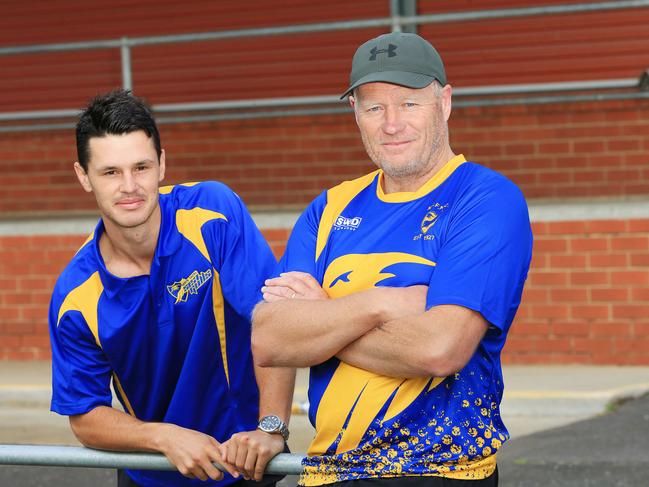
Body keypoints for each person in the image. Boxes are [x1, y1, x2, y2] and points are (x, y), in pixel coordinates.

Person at [252, 32, 533, 486]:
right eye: (374, 107)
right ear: (355, 114)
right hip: (330, 472)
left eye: (409, 104)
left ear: (444, 102)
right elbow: (269, 340)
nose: (391, 123)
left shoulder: (484, 199)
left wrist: (319, 322)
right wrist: (379, 304)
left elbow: (439, 349)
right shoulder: (329, 208)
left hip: (438, 469)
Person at [49, 89, 295, 487]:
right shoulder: (75, 296)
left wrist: (271, 426)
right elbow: (85, 416)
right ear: (83, 176)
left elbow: (274, 321)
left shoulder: (213, 213)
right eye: (110, 172)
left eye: (141, 167)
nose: (129, 186)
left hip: (244, 461)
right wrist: (163, 436)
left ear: (162, 165)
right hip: (152, 474)